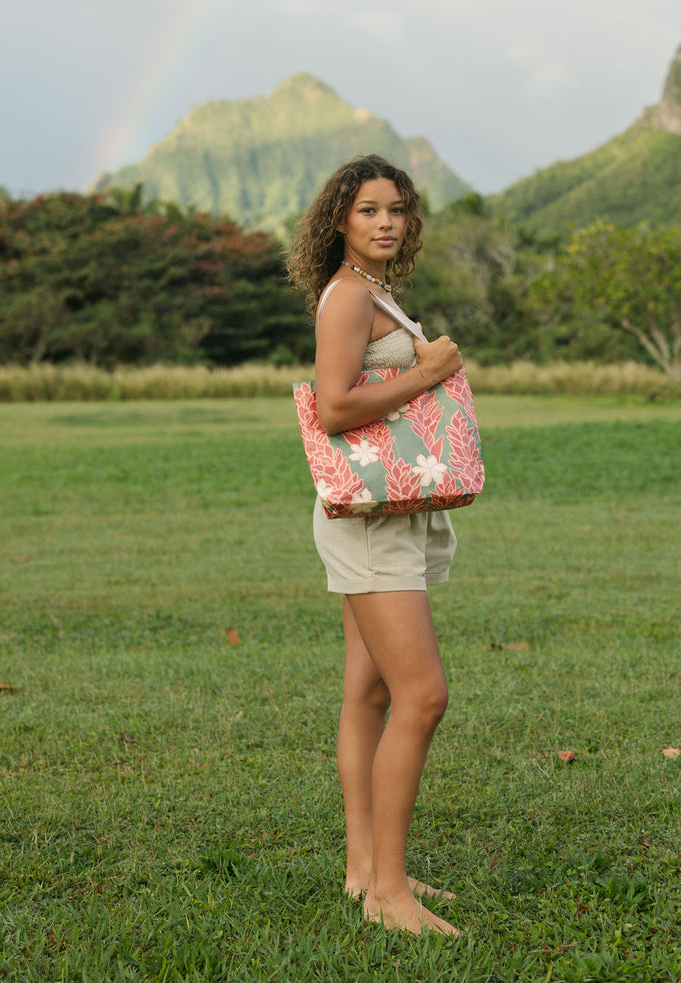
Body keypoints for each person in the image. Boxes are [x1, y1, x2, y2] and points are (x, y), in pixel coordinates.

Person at [288, 154, 463, 937]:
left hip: (388, 514)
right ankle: (391, 893)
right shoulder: (351, 295)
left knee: (370, 694)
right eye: (369, 210)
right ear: (340, 220)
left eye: (396, 209)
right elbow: (332, 408)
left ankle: (366, 870)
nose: (386, 221)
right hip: (368, 524)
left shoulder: (375, 290)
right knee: (423, 693)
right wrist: (430, 373)